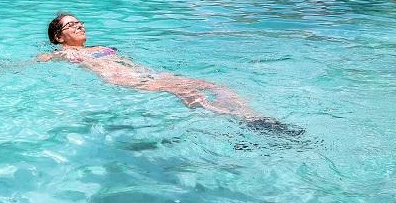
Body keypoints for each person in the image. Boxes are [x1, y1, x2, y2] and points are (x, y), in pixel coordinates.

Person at [38, 13, 302, 135]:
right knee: (187, 91)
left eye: (80, 21)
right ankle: (236, 122)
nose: (80, 25)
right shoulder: (65, 53)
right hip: (125, 80)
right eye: (71, 25)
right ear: (59, 37)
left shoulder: (102, 47)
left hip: (146, 73)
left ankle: (252, 116)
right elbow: (38, 61)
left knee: (213, 84)